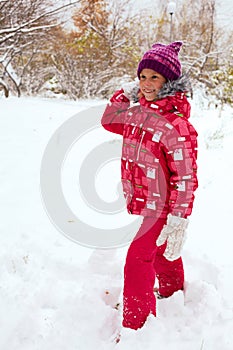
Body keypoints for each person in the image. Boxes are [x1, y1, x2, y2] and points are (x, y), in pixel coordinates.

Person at [101, 41, 198, 330]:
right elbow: (109, 120)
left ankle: (137, 326)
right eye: (142, 76)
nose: (146, 83)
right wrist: (125, 93)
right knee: (163, 252)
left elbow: (185, 176)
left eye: (154, 77)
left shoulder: (176, 125)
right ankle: (172, 291)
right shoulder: (137, 114)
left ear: (170, 81)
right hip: (148, 200)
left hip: (165, 205)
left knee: (138, 259)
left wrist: (179, 217)